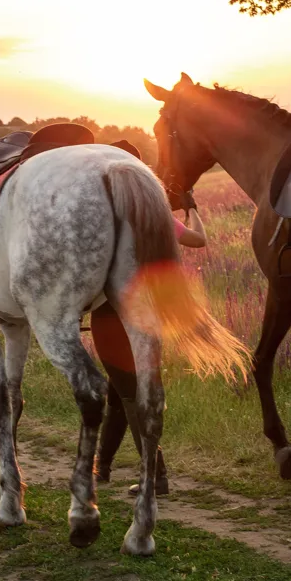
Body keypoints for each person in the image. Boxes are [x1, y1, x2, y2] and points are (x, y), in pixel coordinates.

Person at [94, 145, 208, 495]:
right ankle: (103, 467)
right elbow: (198, 240)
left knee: (129, 392)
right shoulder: (154, 216)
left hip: (110, 314)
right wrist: (192, 209)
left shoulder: (101, 215)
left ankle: (156, 475)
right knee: (120, 390)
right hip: (148, 312)